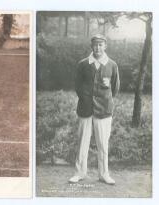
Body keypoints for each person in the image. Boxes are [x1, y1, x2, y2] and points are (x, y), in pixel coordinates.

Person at [69, 34, 120, 185]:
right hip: (85, 108)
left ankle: (104, 174)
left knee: (103, 143)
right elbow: (77, 85)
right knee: (82, 142)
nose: (98, 47)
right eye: (95, 45)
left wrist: (106, 91)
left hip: (104, 110)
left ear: (105, 46)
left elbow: (115, 88)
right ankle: (80, 172)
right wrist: (86, 98)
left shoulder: (112, 65)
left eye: (100, 45)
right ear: (91, 46)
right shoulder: (83, 64)